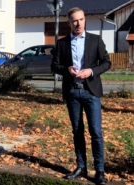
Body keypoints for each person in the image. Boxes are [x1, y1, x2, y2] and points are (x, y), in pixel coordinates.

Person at [51, 7, 111, 185]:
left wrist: (91, 71)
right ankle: (81, 167)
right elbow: (54, 66)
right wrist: (67, 70)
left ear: (85, 20)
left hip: (91, 91)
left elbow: (107, 62)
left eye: (81, 19)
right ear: (69, 23)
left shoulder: (95, 40)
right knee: (77, 132)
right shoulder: (62, 43)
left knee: (96, 132)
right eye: (74, 21)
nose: (78, 24)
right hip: (72, 92)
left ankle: (99, 171)